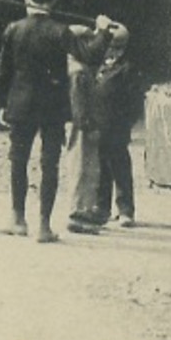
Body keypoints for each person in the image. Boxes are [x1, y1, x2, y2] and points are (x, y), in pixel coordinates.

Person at [0, 0, 108, 242]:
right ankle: (44, 226)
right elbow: (90, 55)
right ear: (53, 2)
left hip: (20, 106)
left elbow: (2, 72)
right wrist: (103, 31)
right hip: (52, 108)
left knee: (18, 161)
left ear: (26, 0)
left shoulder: (13, 29)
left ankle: (18, 220)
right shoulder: (60, 31)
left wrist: (2, 104)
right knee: (49, 164)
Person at [69, 21, 138, 233]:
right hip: (95, 124)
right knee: (100, 168)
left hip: (116, 125)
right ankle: (102, 207)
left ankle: (125, 209)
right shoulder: (93, 64)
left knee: (119, 165)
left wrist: (126, 123)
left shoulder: (126, 68)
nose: (111, 51)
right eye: (110, 46)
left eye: (116, 47)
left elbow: (133, 101)